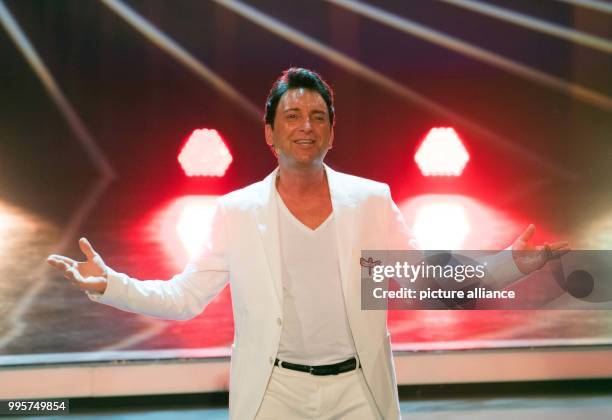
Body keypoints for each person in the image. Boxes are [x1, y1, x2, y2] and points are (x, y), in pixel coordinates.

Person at [47, 68, 568, 419]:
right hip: (274, 393)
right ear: (270, 133)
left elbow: (429, 281)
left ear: (332, 133)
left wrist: (509, 266)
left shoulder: (369, 201)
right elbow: (184, 298)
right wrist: (108, 285)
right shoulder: (236, 211)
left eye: (318, 117)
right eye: (292, 116)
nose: (306, 126)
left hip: (358, 392)